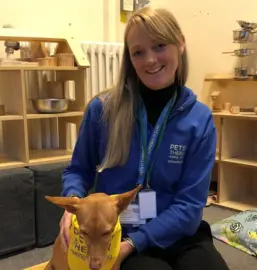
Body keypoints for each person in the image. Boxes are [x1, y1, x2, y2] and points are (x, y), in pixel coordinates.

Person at [59, 6, 229, 270]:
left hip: (180, 233)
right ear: (130, 58)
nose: (150, 60)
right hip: (120, 233)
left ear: (180, 43)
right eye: (138, 52)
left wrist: (138, 241)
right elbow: (78, 170)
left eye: (159, 45)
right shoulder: (102, 110)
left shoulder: (200, 119)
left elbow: (189, 206)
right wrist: (72, 203)